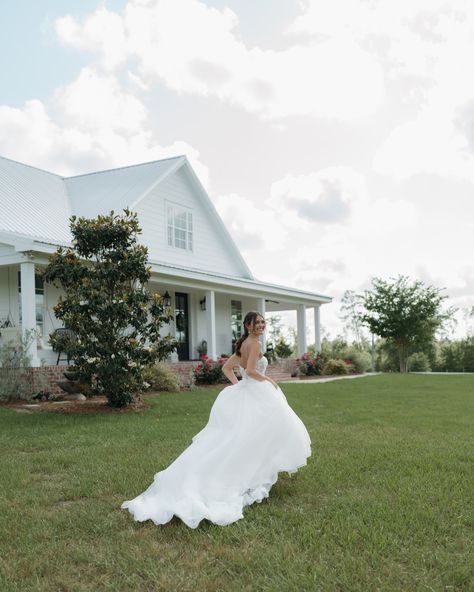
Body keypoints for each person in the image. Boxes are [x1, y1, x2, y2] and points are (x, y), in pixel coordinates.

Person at [121, 311, 311, 528]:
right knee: (267, 432)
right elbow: (249, 370)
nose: (261, 325)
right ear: (248, 325)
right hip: (258, 392)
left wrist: (238, 384)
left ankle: (251, 474)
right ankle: (251, 475)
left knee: (244, 436)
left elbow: (227, 368)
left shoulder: (244, 344)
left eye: (263, 322)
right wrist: (268, 380)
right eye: (257, 322)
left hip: (249, 392)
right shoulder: (255, 344)